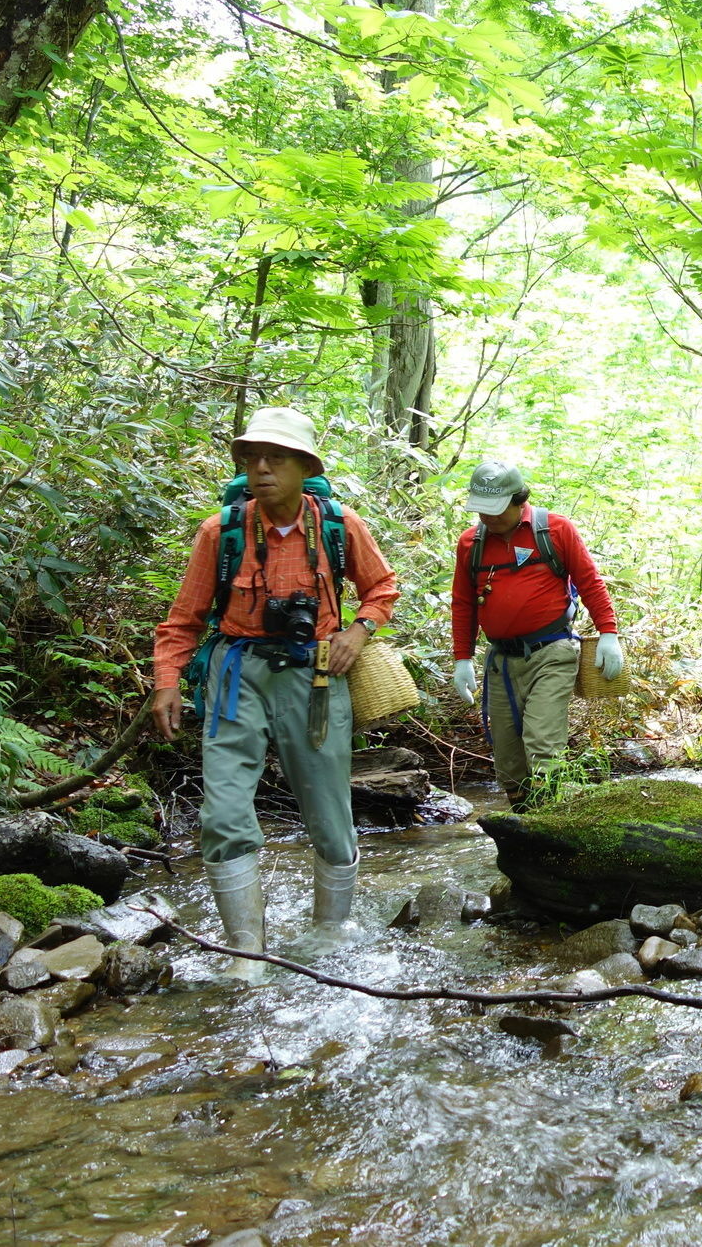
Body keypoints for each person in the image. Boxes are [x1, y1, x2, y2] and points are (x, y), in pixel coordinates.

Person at [151, 407, 400, 983]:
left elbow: (381, 587)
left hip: (313, 678)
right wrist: (168, 681)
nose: (262, 468)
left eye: (276, 457)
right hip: (236, 677)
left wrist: (357, 632)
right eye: (253, 458)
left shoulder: (339, 525)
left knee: (329, 808)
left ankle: (332, 931)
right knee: (224, 809)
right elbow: (184, 617)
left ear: (303, 466)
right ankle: (247, 954)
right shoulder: (222, 531)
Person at [449, 459, 622, 813]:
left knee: (542, 744)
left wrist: (608, 633)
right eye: (482, 511)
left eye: (495, 511)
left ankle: (551, 824)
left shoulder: (555, 530)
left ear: (519, 500)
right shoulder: (471, 543)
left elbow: (590, 581)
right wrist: (462, 659)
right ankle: (525, 823)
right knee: (508, 760)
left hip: (552, 651)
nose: (488, 518)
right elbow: (463, 603)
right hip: (501, 662)